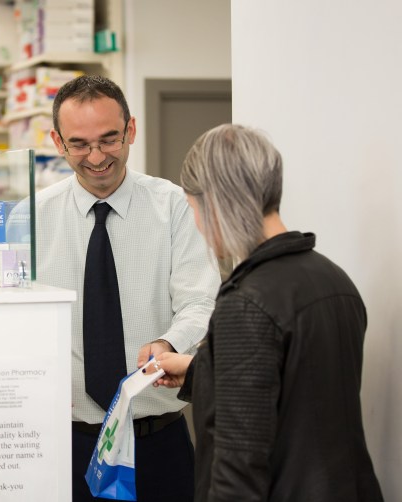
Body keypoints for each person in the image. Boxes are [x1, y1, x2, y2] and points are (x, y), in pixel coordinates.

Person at [146, 124, 384, 501]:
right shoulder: (332, 280)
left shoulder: (247, 303)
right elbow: (296, 388)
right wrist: (198, 369)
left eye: (194, 209)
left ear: (217, 201)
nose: (198, 225)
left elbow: (239, 467)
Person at [36, 75, 220, 501]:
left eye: (109, 139)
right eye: (79, 143)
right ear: (58, 141)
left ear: (131, 130)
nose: (96, 156)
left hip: (157, 442)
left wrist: (168, 342)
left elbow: (200, 301)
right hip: (65, 444)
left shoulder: (175, 206)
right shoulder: (31, 218)